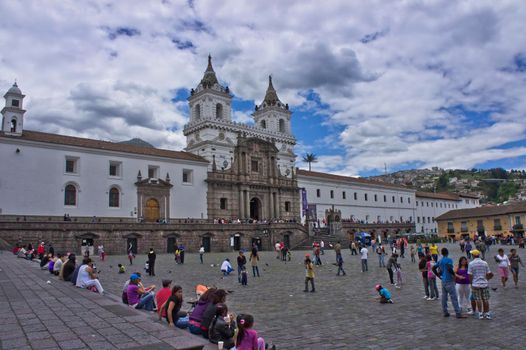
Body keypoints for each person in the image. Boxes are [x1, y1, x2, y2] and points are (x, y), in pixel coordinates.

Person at [432, 248, 466, 318]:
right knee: (454, 297)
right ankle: (458, 313)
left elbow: (433, 268)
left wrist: (438, 276)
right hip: (449, 281)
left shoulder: (440, 261)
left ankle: (445, 312)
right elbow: (449, 268)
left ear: (441, 253)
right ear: (447, 253)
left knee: (444, 297)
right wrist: (454, 275)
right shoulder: (449, 260)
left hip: (443, 281)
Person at [468, 249, 493, 319]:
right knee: (485, 299)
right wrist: (486, 279)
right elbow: (489, 273)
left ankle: (480, 314)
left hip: (475, 284)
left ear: (473, 255)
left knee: (478, 299)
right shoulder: (485, 263)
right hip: (484, 283)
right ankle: (487, 313)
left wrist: (471, 283)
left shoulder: (471, 263)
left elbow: (469, 275)